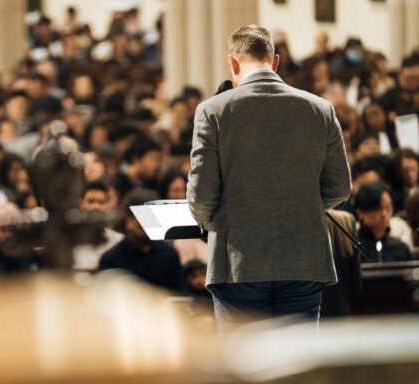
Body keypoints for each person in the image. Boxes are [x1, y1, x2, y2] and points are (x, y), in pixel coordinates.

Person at [187, 25, 351, 330]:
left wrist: (224, 222)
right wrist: (302, 207)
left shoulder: (213, 111)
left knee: (243, 365)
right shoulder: (320, 109)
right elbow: (340, 187)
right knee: (299, 366)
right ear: (275, 62)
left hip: (238, 262)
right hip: (304, 258)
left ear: (233, 64)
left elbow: (200, 198)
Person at [98, 189, 183, 291]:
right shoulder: (110, 259)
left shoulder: (170, 255)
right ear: (127, 221)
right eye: (141, 218)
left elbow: (178, 297)